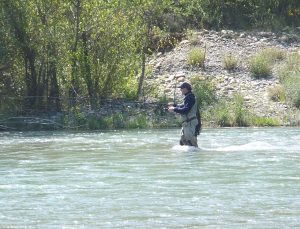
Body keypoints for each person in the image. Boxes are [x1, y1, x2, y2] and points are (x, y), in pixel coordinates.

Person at [168, 82, 201, 147]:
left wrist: (174, 109)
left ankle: (196, 156)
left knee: (191, 143)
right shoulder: (189, 96)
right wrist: (174, 106)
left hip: (190, 123)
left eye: (181, 88)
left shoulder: (190, 97)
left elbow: (185, 110)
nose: (180, 90)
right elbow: (183, 106)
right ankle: (187, 156)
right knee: (183, 142)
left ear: (186, 89)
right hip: (187, 123)